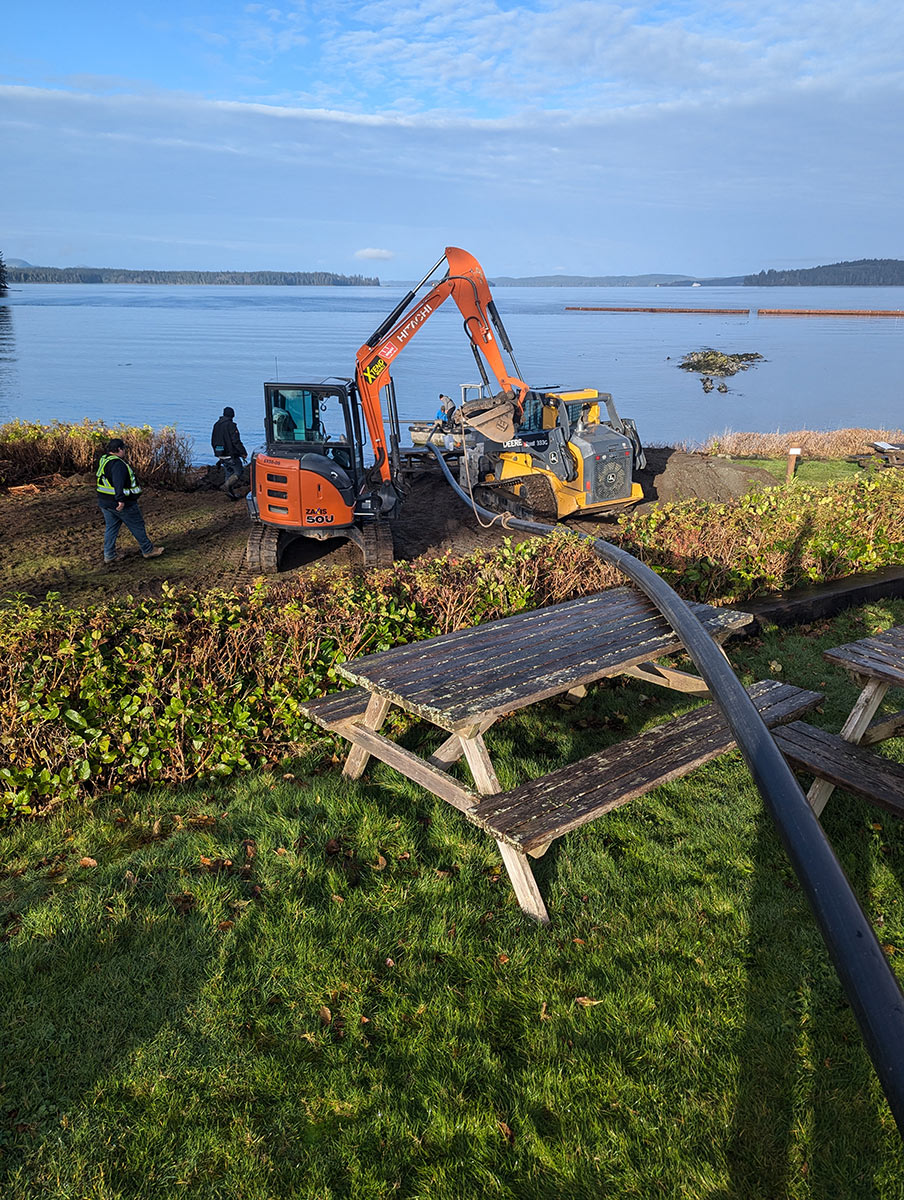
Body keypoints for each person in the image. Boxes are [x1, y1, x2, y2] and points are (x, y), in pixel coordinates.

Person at [96, 438, 164, 563]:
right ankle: (148, 550)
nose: (125, 451)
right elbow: (118, 483)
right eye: (124, 449)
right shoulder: (118, 465)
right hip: (121, 503)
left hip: (104, 502)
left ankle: (109, 555)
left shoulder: (104, 460)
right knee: (137, 525)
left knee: (111, 528)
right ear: (119, 449)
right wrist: (121, 501)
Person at [211, 405, 248, 500]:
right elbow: (235, 441)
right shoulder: (231, 426)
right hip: (230, 455)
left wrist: (217, 452)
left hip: (220, 454)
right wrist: (243, 452)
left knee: (228, 473)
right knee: (238, 471)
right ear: (232, 415)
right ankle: (226, 486)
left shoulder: (216, 424)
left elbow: (213, 440)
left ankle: (231, 495)